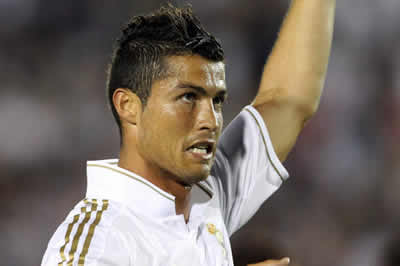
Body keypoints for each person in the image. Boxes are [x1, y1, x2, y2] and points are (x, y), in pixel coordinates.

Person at [41, 1, 336, 265]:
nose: (211, 120)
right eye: (188, 98)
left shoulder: (208, 193)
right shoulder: (96, 244)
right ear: (128, 106)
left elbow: (288, 100)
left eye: (216, 100)